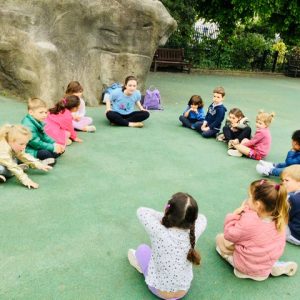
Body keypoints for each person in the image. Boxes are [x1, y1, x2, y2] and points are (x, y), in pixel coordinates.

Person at [127, 192, 207, 299]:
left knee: (142, 249)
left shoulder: (159, 231)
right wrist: (178, 218)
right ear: (192, 219)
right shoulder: (194, 231)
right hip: (183, 291)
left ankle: (141, 267)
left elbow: (141, 211)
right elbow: (202, 218)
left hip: (159, 290)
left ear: (167, 209)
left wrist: (167, 216)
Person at [216, 179, 297, 281]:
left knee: (220, 239)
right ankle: (273, 266)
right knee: (259, 245)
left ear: (258, 205)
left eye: (250, 197)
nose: (247, 200)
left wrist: (234, 215)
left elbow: (229, 234)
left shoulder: (249, 221)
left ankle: (245, 269)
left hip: (245, 267)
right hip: (266, 263)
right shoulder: (281, 218)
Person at [21, 98, 65, 165]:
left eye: (45, 112)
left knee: (59, 149)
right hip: (28, 150)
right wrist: (52, 147)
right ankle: (37, 163)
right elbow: (36, 143)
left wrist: (55, 143)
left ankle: (48, 157)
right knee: (47, 154)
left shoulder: (37, 121)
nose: (44, 115)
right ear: (31, 112)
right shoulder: (28, 126)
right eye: (41, 112)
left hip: (36, 147)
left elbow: (44, 136)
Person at [281, 165, 300, 246]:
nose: (283, 183)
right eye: (282, 180)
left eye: (287, 180)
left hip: (294, 235)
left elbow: (284, 216)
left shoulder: (294, 199)